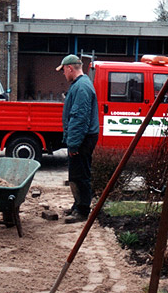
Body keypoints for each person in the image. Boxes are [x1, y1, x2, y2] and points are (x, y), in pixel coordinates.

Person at [56, 54, 99, 224]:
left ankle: (82, 210)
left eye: (63, 71)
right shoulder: (80, 85)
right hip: (84, 137)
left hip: (83, 138)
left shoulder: (81, 87)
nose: (63, 75)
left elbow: (79, 118)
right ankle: (78, 205)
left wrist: (73, 144)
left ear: (70, 68)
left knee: (80, 175)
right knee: (76, 174)